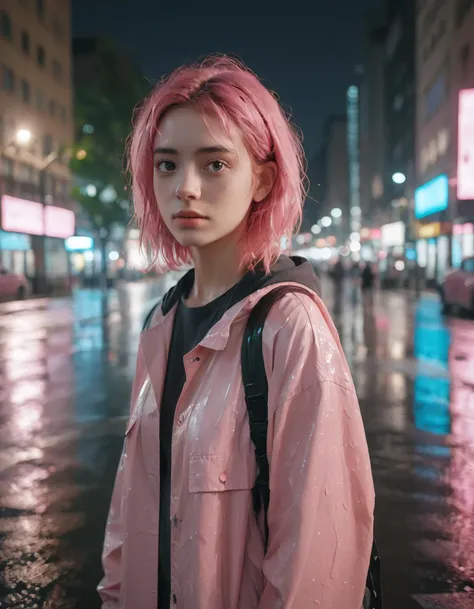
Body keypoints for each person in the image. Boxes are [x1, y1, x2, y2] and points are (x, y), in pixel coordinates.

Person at [98, 55, 375, 609]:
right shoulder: (161, 322)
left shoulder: (288, 326)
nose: (186, 189)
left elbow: (317, 562)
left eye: (215, 164)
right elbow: (130, 510)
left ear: (263, 180)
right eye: (167, 164)